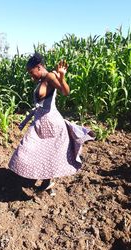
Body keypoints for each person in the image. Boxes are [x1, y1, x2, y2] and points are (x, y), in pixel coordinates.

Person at [9, 52, 95, 196]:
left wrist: (61, 76)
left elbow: (65, 92)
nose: (31, 76)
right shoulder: (41, 80)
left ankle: (47, 182)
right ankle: (47, 182)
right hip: (40, 122)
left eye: (32, 72)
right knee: (41, 151)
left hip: (50, 122)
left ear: (39, 67)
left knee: (29, 149)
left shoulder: (50, 76)